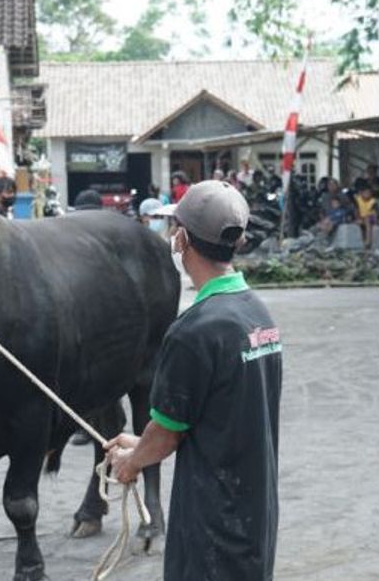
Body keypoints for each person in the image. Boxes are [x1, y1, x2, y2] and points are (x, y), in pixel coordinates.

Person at [105, 180, 283, 581]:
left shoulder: (195, 330)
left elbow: (167, 435)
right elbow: (210, 419)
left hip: (211, 526)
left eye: (174, 228)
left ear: (181, 238)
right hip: (255, 515)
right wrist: (142, 442)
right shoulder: (259, 315)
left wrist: (131, 461)